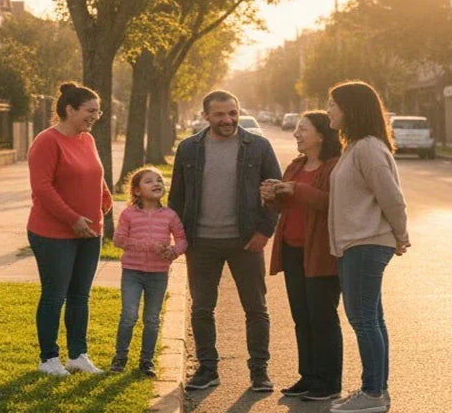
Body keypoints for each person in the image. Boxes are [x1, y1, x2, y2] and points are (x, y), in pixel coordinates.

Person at [169, 89, 282, 393]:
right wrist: (179, 237)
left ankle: (259, 371)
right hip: (201, 242)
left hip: (245, 241)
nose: (228, 119)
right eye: (220, 114)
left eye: (232, 112)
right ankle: (207, 369)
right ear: (205, 116)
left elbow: (277, 193)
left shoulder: (257, 146)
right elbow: (177, 197)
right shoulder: (189, 148)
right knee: (202, 308)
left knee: (255, 308)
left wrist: (263, 233)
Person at [325, 81, 410, 413]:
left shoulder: (368, 148)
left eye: (333, 104)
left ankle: (372, 393)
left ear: (352, 109)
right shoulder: (356, 146)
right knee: (372, 317)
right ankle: (377, 390)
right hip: (358, 243)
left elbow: (392, 197)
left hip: (366, 242)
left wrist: (401, 235)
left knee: (362, 318)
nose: (329, 110)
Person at [25, 82, 113, 376]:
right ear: (70, 109)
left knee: (80, 296)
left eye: (98, 111)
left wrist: (104, 198)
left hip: (89, 232)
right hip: (54, 233)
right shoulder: (46, 141)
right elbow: (42, 188)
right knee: (54, 295)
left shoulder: (86, 139)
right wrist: (72, 218)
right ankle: (48, 359)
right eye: (90, 111)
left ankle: (78, 355)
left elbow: (94, 173)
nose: (95, 116)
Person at [262, 111, 343, 403]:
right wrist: (272, 196)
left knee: (322, 316)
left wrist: (297, 189)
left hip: (321, 253)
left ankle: (329, 381)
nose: (296, 134)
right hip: (293, 250)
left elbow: (331, 203)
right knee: (302, 317)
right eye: (296, 129)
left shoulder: (335, 167)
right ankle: (308, 376)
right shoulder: (295, 166)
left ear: (321, 135)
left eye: (303, 129)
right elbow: (284, 208)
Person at [111, 166, 187, 377]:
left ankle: (147, 360)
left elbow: (182, 239)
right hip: (132, 273)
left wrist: (173, 252)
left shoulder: (170, 215)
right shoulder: (128, 214)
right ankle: (120, 358)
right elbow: (119, 240)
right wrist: (149, 246)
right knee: (129, 315)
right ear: (136, 191)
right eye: (149, 181)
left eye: (159, 180)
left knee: (152, 318)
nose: (156, 184)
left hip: (158, 273)